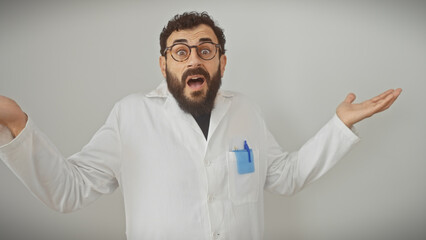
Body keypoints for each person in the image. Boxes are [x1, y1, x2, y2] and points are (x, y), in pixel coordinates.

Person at [0, 11, 401, 240]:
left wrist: (338, 127)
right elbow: (69, 190)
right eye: (181, 51)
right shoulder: (130, 115)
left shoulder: (246, 111)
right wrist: (17, 124)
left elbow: (285, 177)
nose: (194, 59)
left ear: (221, 62)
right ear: (164, 64)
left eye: (205, 50)